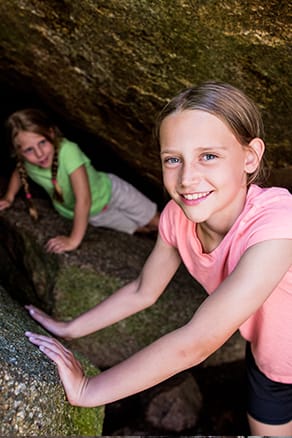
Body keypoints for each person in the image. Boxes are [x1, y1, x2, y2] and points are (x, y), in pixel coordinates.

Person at [24, 82, 292, 435]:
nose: (187, 178)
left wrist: (90, 389)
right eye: (173, 159)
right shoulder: (177, 217)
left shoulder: (278, 221)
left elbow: (199, 340)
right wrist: (71, 328)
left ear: (250, 156)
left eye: (208, 155)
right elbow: (143, 290)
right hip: (272, 363)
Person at [0, 108, 160, 253]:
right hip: (93, 215)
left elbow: (84, 199)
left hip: (111, 193)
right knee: (140, 228)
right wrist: (9, 196)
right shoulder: (28, 163)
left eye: (42, 142)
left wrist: (73, 241)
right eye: (29, 150)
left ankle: (183, 240)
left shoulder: (68, 152)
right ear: (18, 152)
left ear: (52, 134)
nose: (39, 153)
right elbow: (19, 172)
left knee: (156, 221)